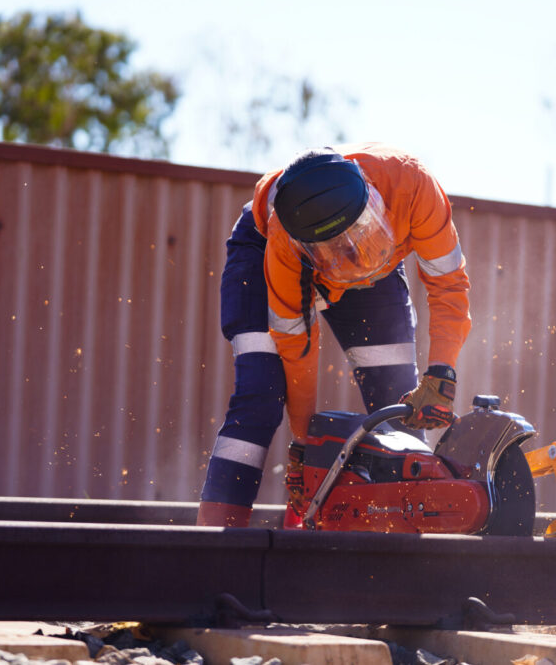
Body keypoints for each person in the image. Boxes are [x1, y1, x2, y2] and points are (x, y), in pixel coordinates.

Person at [197, 143, 471, 527]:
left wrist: (443, 369)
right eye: (336, 249)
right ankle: (216, 541)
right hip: (265, 249)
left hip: (374, 262)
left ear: (374, 200)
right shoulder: (283, 246)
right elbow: (297, 349)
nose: (353, 257)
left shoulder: (414, 186)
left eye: (362, 234)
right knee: (260, 393)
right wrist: (304, 442)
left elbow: (449, 285)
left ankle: (406, 546)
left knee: (397, 403)